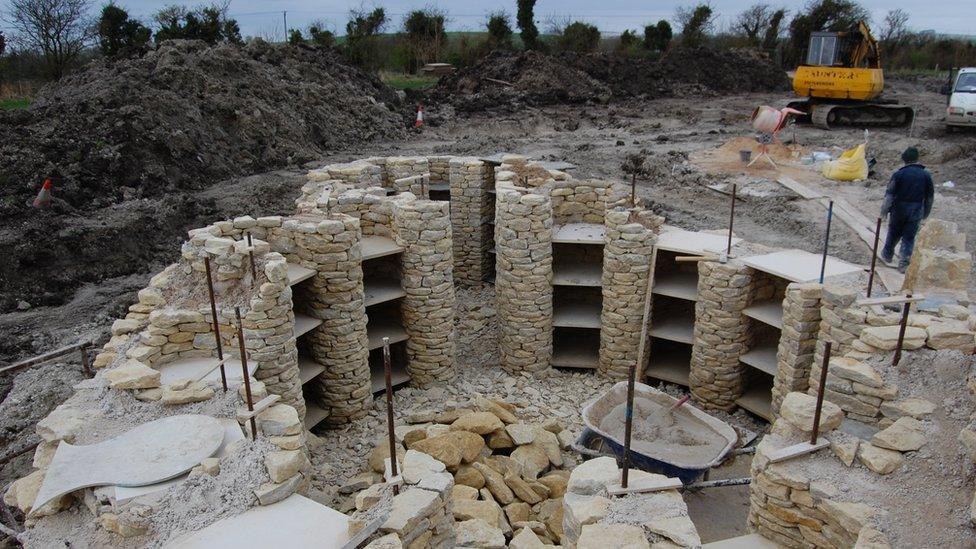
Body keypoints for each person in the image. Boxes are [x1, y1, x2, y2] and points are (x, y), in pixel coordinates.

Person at [880, 147, 934, 272]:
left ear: (904, 159)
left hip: (898, 209)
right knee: (909, 237)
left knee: (893, 232)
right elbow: (929, 197)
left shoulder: (899, 174)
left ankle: (887, 254)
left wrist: (884, 212)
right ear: (917, 158)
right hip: (916, 210)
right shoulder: (925, 175)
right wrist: (925, 213)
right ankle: (904, 263)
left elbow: (889, 195)